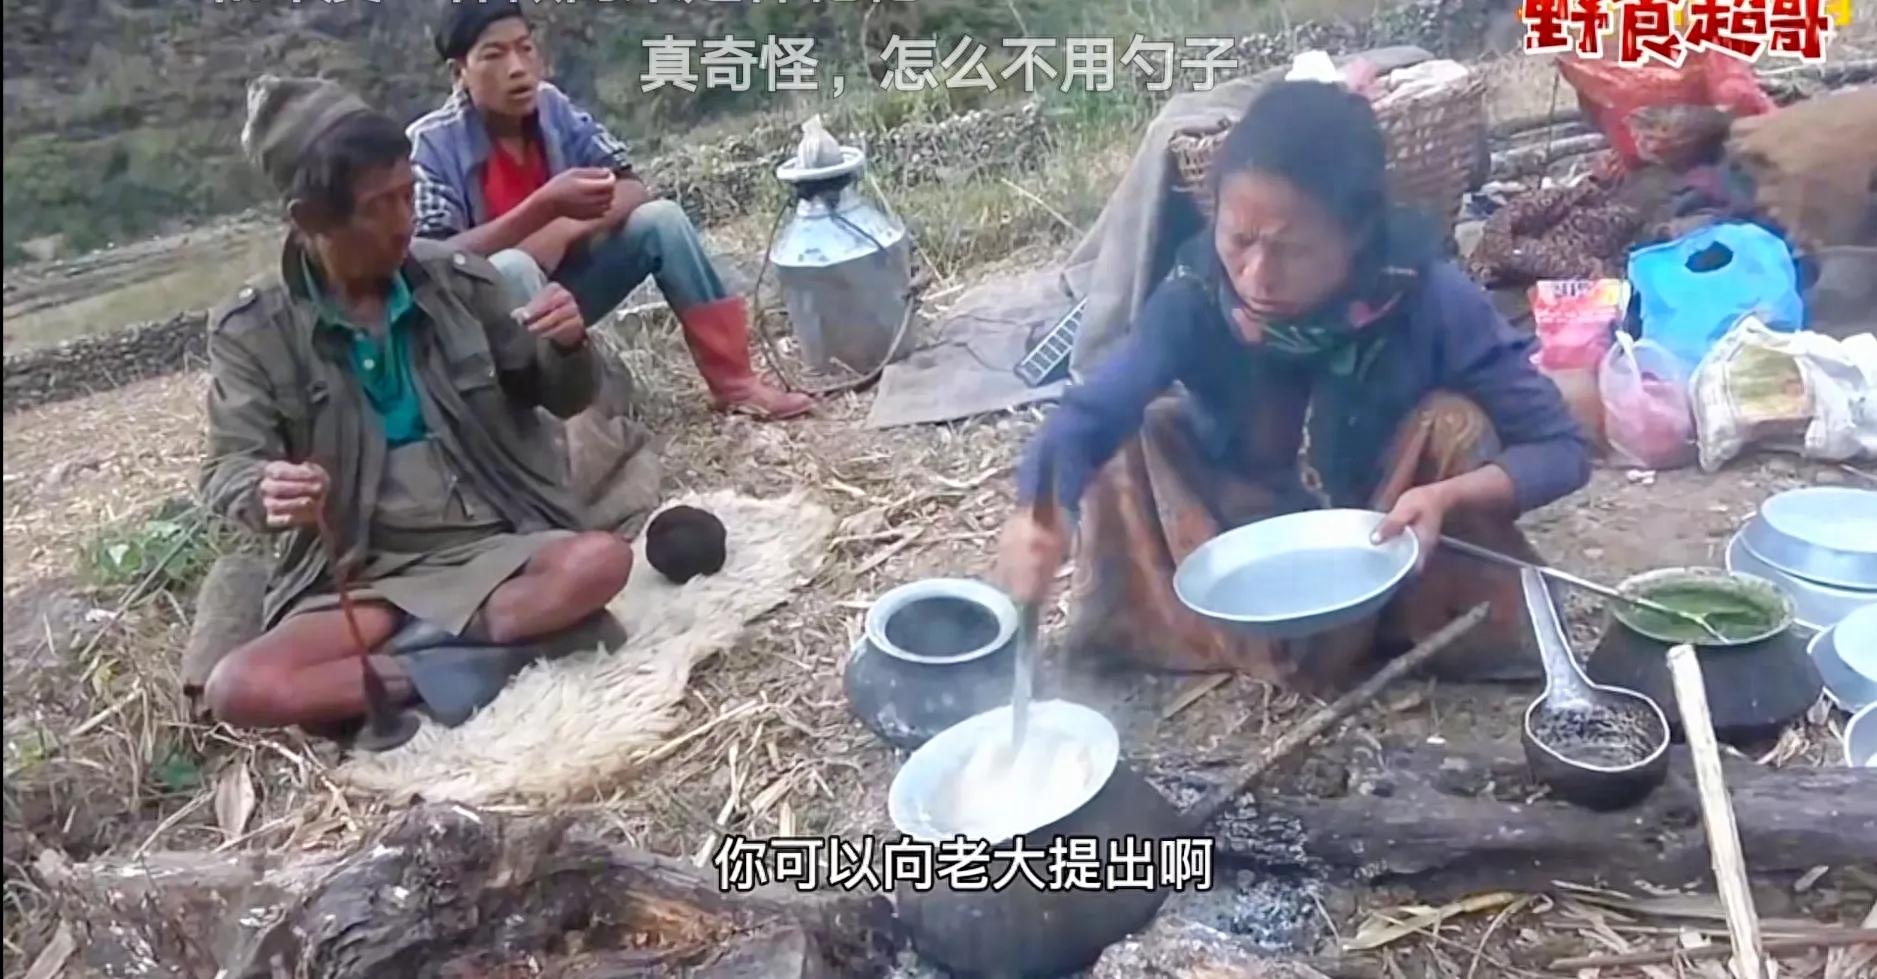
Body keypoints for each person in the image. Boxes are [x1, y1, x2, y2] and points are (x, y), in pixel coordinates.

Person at [995, 82, 1592, 693]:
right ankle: (1192, 634)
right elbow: (1090, 413)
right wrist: (1040, 513)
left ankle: (1407, 633)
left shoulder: (1430, 300)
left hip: (1394, 543)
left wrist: (1448, 496)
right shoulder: (1194, 296)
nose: (1256, 275)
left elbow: (1561, 449)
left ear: (1356, 236)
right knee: (1133, 432)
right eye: (1239, 240)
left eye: (1292, 249)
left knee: (1454, 423)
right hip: (1234, 534)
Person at [200, 75, 635, 736]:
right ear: (310, 220)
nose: (405, 220)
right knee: (239, 687)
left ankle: (411, 667)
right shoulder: (253, 330)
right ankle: (482, 660)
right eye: (379, 206)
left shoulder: (457, 280)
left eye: (408, 194)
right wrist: (266, 488)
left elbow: (559, 395)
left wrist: (569, 346)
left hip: (490, 545)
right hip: (361, 571)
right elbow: (227, 466)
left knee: (600, 562)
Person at [407, 0, 812, 420]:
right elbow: (430, 259)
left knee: (663, 221)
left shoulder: (551, 107)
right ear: (459, 72)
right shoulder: (431, 143)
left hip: (566, 296)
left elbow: (632, 187)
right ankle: (565, 421)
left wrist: (562, 228)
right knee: (513, 266)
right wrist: (540, 209)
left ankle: (735, 382)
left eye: (524, 48)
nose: (517, 68)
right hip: (491, 325)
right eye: (494, 55)